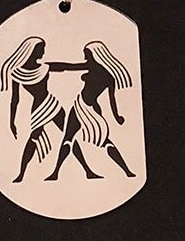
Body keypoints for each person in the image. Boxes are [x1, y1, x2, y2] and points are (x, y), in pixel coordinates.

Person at [45, 40, 136, 181]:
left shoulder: (93, 67)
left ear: (95, 54)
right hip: (92, 108)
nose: (85, 56)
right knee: (102, 140)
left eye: (87, 54)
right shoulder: (109, 76)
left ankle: (55, 173)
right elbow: (112, 99)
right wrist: (116, 116)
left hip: (81, 107)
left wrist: (46, 66)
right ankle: (126, 171)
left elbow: (68, 66)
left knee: (69, 138)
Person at [0, 37, 65, 183]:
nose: (43, 52)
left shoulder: (45, 67)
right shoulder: (17, 73)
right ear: (32, 50)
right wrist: (11, 121)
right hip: (39, 109)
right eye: (41, 49)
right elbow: (15, 100)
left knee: (68, 135)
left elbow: (66, 67)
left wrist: (88, 66)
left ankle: (86, 169)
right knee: (33, 139)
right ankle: (21, 174)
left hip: (52, 105)